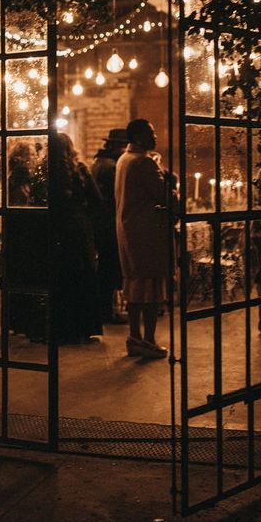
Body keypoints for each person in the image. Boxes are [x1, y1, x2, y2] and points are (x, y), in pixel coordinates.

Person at [114, 119, 171, 359]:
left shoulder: (123, 160)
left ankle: (134, 337)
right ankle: (148, 340)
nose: (155, 137)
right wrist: (170, 182)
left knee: (135, 287)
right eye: (151, 132)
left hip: (128, 230)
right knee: (150, 290)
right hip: (147, 232)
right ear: (138, 137)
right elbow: (164, 195)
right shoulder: (144, 162)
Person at [55, 132, 105, 344]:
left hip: (57, 228)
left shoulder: (48, 172)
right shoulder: (81, 170)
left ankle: (62, 329)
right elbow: (98, 202)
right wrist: (87, 219)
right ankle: (84, 327)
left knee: (62, 278)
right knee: (84, 276)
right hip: (80, 228)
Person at [91, 128, 129, 325]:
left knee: (106, 268)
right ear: (115, 146)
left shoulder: (99, 162)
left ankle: (106, 310)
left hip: (100, 224)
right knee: (109, 269)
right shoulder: (111, 167)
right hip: (108, 226)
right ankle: (107, 311)